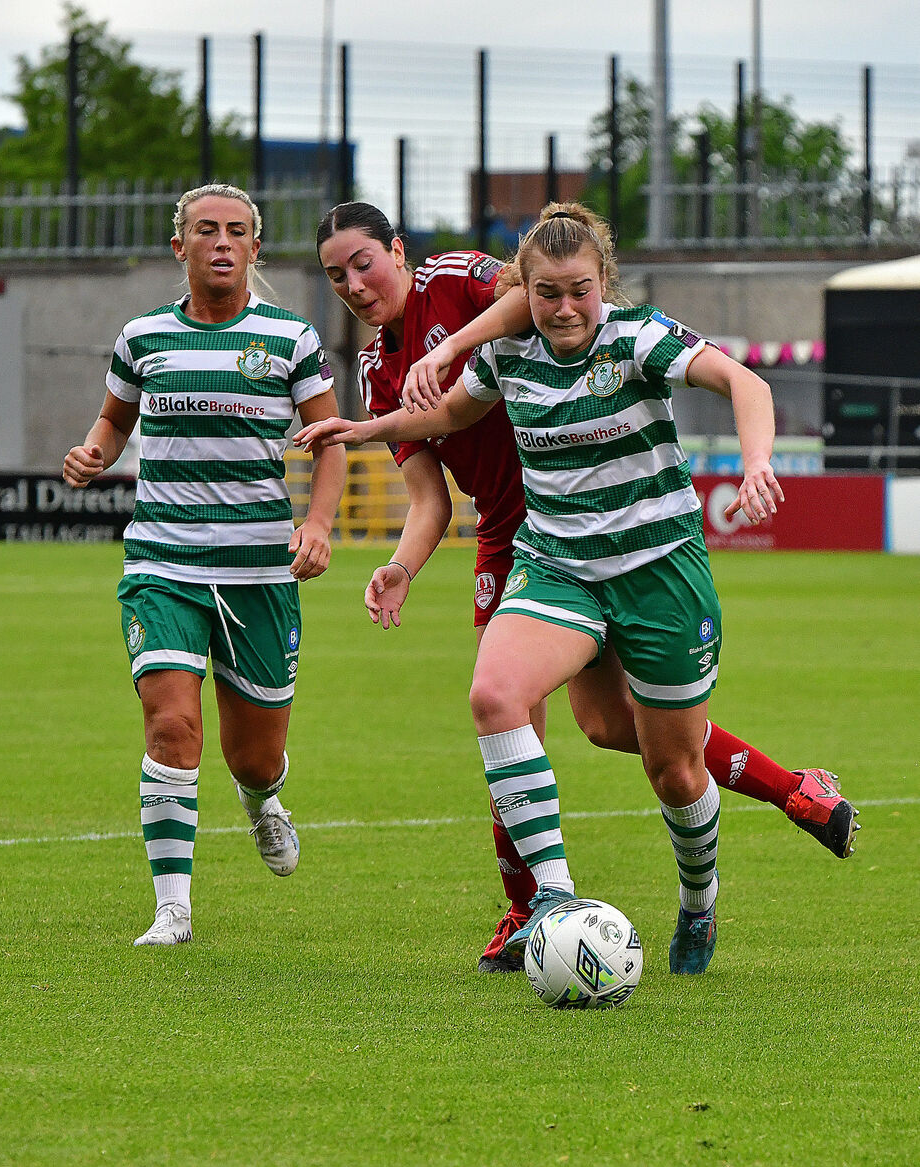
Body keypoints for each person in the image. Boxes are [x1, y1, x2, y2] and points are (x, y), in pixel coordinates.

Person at [309, 201, 858, 975]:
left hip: (657, 572)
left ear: (604, 283)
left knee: (666, 766)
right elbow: (437, 427)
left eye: (579, 290)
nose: (564, 308)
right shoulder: (484, 361)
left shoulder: (634, 336)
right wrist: (359, 435)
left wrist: (758, 462)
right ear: (524, 295)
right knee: (497, 698)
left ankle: (699, 898)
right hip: (552, 560)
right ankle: (551, 903)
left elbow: (743, 382)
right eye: (546, 294)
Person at [63, 183, 346, 946]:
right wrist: (96, 452)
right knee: (171, 724)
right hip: (162, 561)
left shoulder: (290, 339)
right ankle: (173, 910)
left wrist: (318, 524)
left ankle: (261, 803)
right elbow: (116, 416)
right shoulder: (143, 336)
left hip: (259, 573)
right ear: (178, 246)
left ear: (255, 251)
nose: (221, 243)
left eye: (236, 233)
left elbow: (330, 441)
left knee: (256, 756)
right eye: (205, 231)